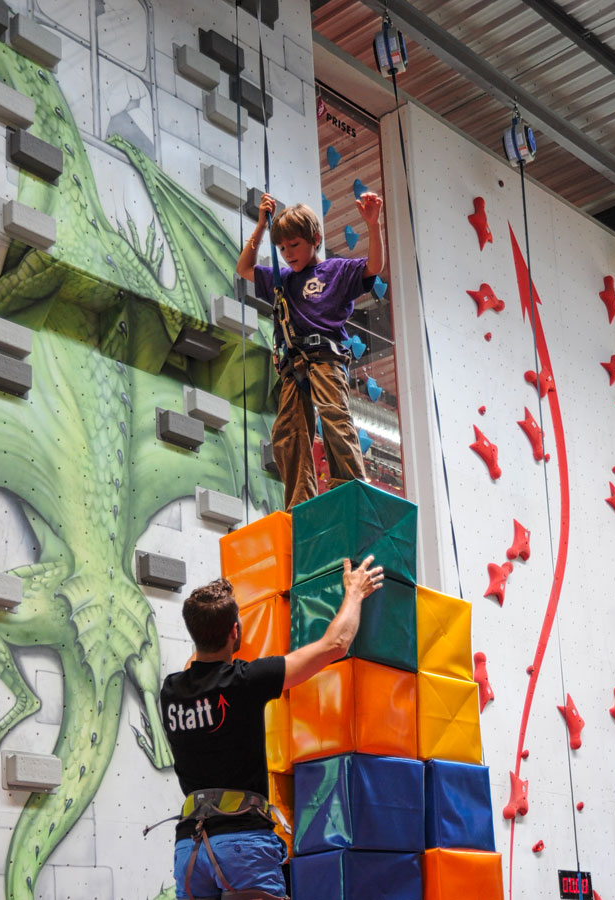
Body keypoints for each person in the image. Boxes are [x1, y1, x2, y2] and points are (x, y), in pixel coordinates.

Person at [159, 555, 384, 900]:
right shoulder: (245, 682)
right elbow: (335, 645)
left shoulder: (171, 691)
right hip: (241, 844)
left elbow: (202, 656)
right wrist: (354, 593)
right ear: (235, 631)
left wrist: (222, 624)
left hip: (190, 849)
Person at [236, 192, 385, 510]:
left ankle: (350, 489)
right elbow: (244, 268)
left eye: (295, 245)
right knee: (289, 431)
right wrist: (262, 226)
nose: (288, 254)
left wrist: (373, 226)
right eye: (282, 248)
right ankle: (299, 503)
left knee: (334, 417)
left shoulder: (336, 272)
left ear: (315, 239)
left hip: (325, 359)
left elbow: (374, 266)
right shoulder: (284, 280)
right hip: (293, 366)